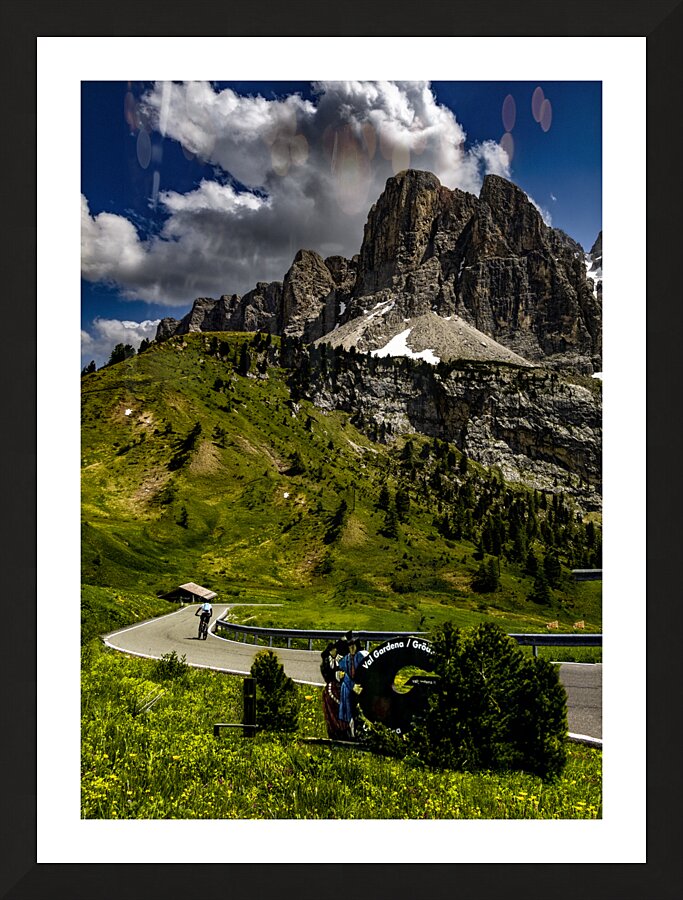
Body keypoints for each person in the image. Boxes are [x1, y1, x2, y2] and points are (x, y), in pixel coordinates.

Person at [336, 632, 366, 738]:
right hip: (350, 687)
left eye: (353, 645)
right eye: (350, 646)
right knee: (345, 687)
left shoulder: (362, 657)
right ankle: (349, 727)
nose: (352, 648)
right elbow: (340, 674)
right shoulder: (345, 660)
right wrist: (352, 685)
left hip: (362, 686)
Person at [320, 639, 350, 740]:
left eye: (334, 649)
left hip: (342, 685)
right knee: (331, 705)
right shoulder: (326, 661)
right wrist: (333, 676)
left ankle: (345, 730)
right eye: (331, 650)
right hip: (332, 685)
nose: (333, 652)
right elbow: (325, 673)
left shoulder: (342, 659)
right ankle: (334, 730)